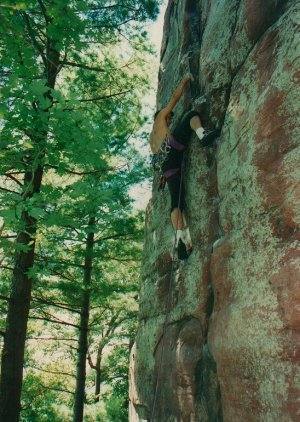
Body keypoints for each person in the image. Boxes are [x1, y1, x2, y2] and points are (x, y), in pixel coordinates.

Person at [150, 74, 220, 260]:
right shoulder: (160, 118)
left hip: (166, 167)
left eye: (171, 118)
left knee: (177, 202)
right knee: (191, 115)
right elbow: (174, 99)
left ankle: (182, 239)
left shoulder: (151, 140)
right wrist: (183, 82)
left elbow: (159, 159)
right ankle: (202, 134)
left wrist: (164, 176)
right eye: (169, 117)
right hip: (172, 150)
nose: (170, 119)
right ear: (160, 115)